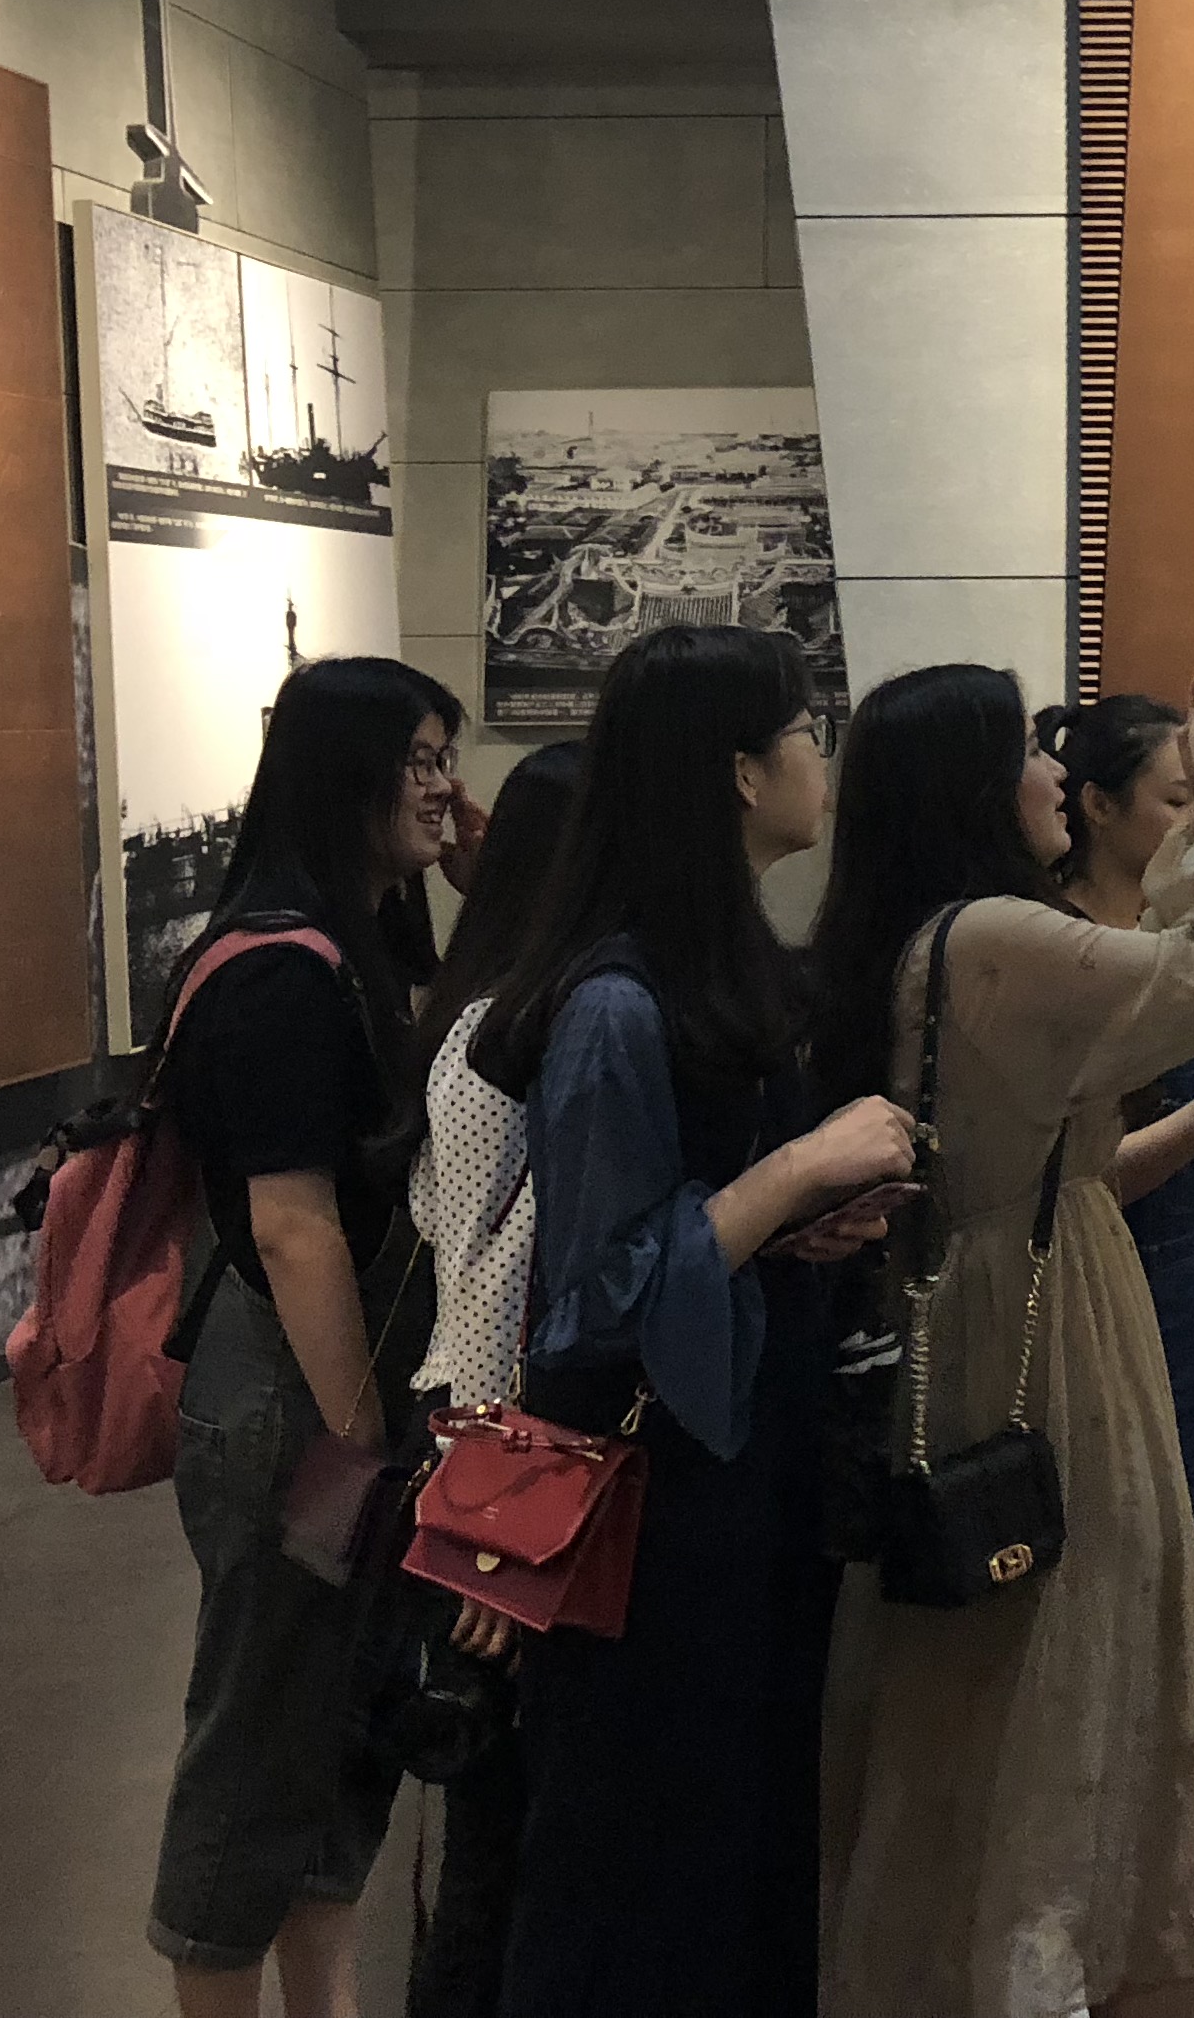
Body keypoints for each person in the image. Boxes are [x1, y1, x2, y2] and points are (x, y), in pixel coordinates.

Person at [811, 660, 1194, 2018]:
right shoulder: (990, 936)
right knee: (1069, 1642)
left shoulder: (935, 934)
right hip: (1044, 1315)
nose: (1052, 773)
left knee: (994, 1664)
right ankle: (1045, 1954)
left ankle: (1001, 1953)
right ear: (974, 784)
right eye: (1027, 751)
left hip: (998, 1294)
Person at [463, 625, 918, 2018]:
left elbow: (692, 1222)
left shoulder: (720, 972)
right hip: (655, 1505)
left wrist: (790, 1224)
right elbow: (594, 1298)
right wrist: (794, 1174)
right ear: (737, 773)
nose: (820, 759)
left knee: (741, 1841)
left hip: (744, 1468)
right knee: (643, 1863)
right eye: (804, 733)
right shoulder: (615, 1002)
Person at [150, 656, 468, 2017]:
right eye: (421, 760)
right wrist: (358, 1439)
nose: (445, 787)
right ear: (347, 775)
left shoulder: (359, 940)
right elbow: (294, 1227)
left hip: (332, 1384)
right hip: (298, 1396)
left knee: (339, 1729)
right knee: (260, 1735)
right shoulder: (282, 969)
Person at [1043, 695, 1194, 2018]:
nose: (1192, 821)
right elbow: (1086, 1179)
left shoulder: (1175, 940)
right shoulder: (1063, 954)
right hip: (1103, 1286)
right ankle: (1090, 1926)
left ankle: (1167, 1914)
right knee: (1097, 1631)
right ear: (1097, 807)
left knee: (1180, 1623)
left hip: (1185, 1289)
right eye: (1176, 798)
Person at [400, 738, 588, 2018]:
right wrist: (494, 1537)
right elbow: (491, 1281)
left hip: (503, 1433)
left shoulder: (506, 1005)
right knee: (497, 1837)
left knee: (512, 1827)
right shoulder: (508, 1028)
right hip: (505, 1444)